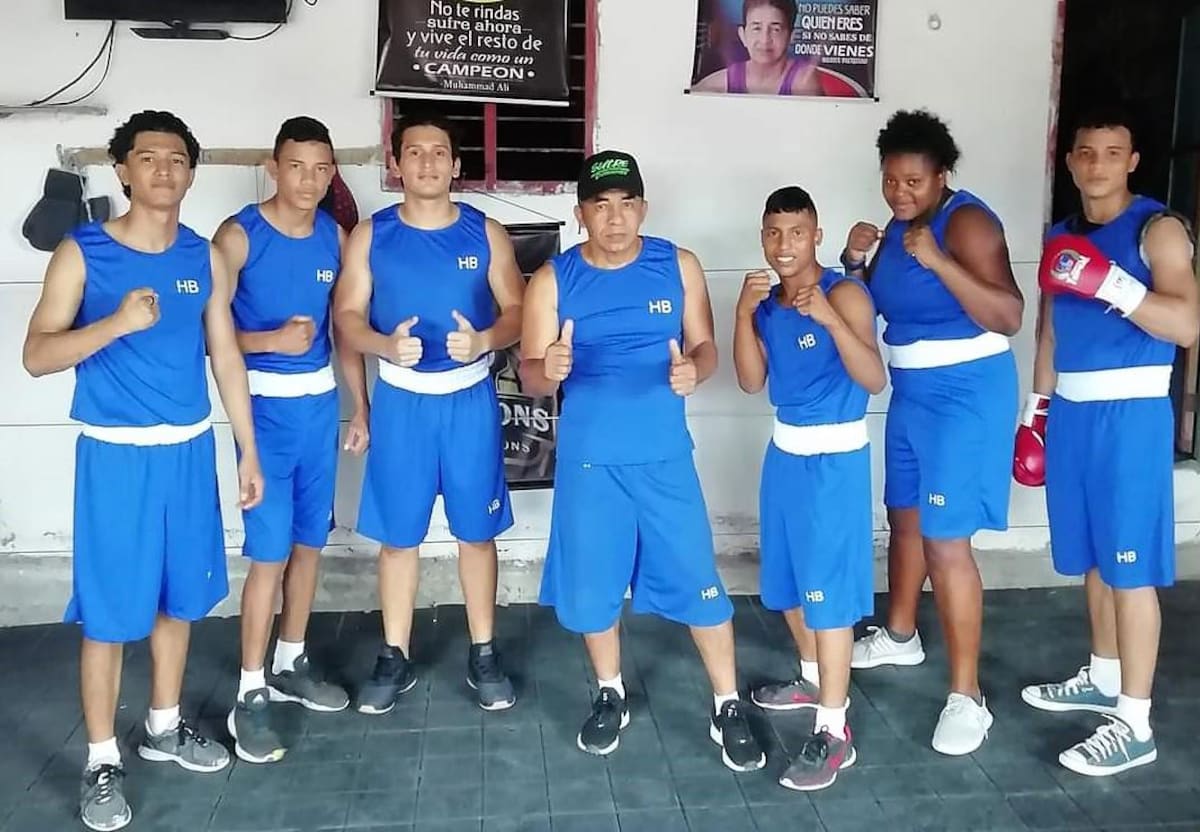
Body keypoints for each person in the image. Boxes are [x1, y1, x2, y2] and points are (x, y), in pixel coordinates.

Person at [21, 110, 264, 831]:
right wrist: (116, 325)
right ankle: (102, 758)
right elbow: (37, 355)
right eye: (148, 158)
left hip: (188, 452)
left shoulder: (202, 257)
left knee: (178, 600)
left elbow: (225, 356)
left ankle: (163, 724)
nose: (164, 169)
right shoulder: (83, 251)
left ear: (192, 172)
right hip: (117, 457)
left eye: (177, 159)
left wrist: (247, 449)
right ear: (123, 170)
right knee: (109, 613)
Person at [521, 150, 766, 772]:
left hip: (662, 458)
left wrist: (694, 369)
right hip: (589, 464)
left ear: (643, 209)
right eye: (601, 207)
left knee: (699, 582)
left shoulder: (676, 265)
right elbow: (528, 374)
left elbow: (706, 347)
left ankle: (727, 702)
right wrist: (544, 369)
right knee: (594, 587)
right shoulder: (553, 279)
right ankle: (610, 692)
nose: (615, 218)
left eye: (626, 204)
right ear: (581, 215)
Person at [1015, 106, 1198, 776]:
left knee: (1130, 569)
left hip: (1131, 417)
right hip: (1072, 413)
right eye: (1085, 153)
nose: (1096, 165)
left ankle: (1135, 722)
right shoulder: (1061, 233)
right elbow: (1051, 332)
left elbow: (1185, 323)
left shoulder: (1159, 229)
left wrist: (1111, 282)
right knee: (1093, 558)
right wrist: (1035, 413)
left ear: (1132, 161)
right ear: (1070, 160)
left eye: (1111, 153)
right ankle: (1101, 673)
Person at [843, 109, 1024, 755]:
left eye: (914, 182)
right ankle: (899, 636)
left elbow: (1007, 313)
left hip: (968, 393)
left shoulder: (966, 221)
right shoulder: (896, 229)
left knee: (947, 540)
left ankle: (968, 696)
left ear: (941, 176)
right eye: (891, 181)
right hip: (913, 391)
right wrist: (854, 260)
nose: (900, 193)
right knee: (906, 519)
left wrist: (942, 261)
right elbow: (884, 306)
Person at [333, 112, 526, 714]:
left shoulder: (485, 232)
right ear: (397, 165)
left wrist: (488, 339)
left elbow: (519, 310)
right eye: (413, 152)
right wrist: (386, 345)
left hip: (469, 401)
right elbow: (346, 319)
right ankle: (394, 655)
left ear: (456, 164)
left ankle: (485, 651)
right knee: (398, 538)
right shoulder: (371, 235)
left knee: (477, 533)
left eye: (438, 152)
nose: (426, 162)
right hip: (402, 404)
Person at [213, 116, 359, 764]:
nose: (309, 179)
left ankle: (291, 661)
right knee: (267, 556)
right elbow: (208, 336)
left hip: (318, 409)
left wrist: (361, 408)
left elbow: (346, 330)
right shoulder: (238, 238)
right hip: (263, 414)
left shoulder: (336, 237)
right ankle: (249, 691)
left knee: (309, 544)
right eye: (296, 166)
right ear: (274, 167)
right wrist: (270, 341)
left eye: (321, 167)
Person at [735, 187, 885, 789]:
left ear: (816, 235)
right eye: (774, 232)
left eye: (796, 232)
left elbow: (873, 377)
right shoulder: (766, 303)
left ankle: (835, 728)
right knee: (792, 583)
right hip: (786, 455)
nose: (784, 245)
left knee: (829, 596)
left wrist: (827, 317)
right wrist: (741, 314)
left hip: (836, 460)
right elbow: (750, 382)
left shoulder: (846, 293)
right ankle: (812, 677)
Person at [693, 0, 822, 97]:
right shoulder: (718, 84)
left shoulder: (803, 81)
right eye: (756, 28)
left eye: (776, 29)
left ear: (791, 36)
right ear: (742, 35)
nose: (765, 39)